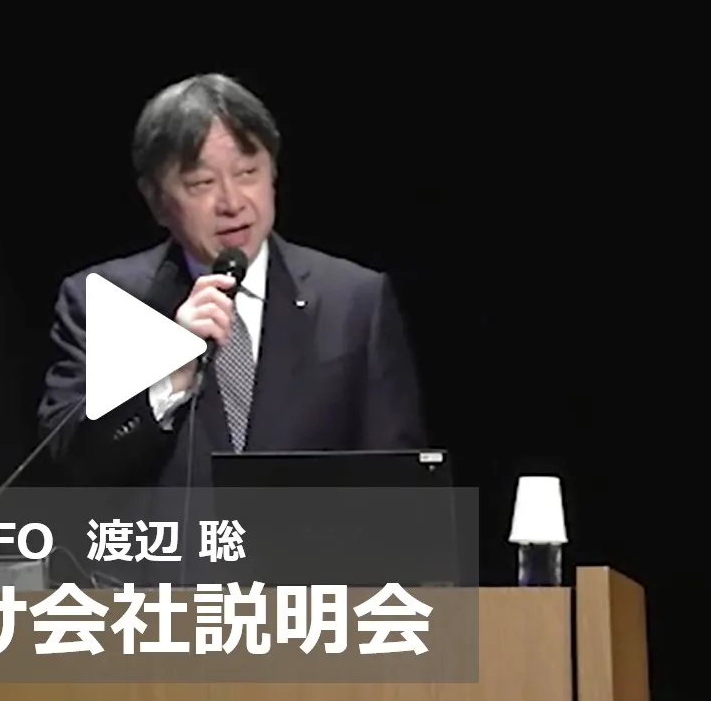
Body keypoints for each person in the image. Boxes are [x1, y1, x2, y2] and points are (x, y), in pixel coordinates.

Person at [38, 73, 425, 489]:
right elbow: (70, 462)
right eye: (202, 183)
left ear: (273, 173)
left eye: (247, 172)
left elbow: (398, 482)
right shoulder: (105, 300)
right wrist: (170, 374)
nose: (232, 202)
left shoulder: (354, 300)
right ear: (156, 200)